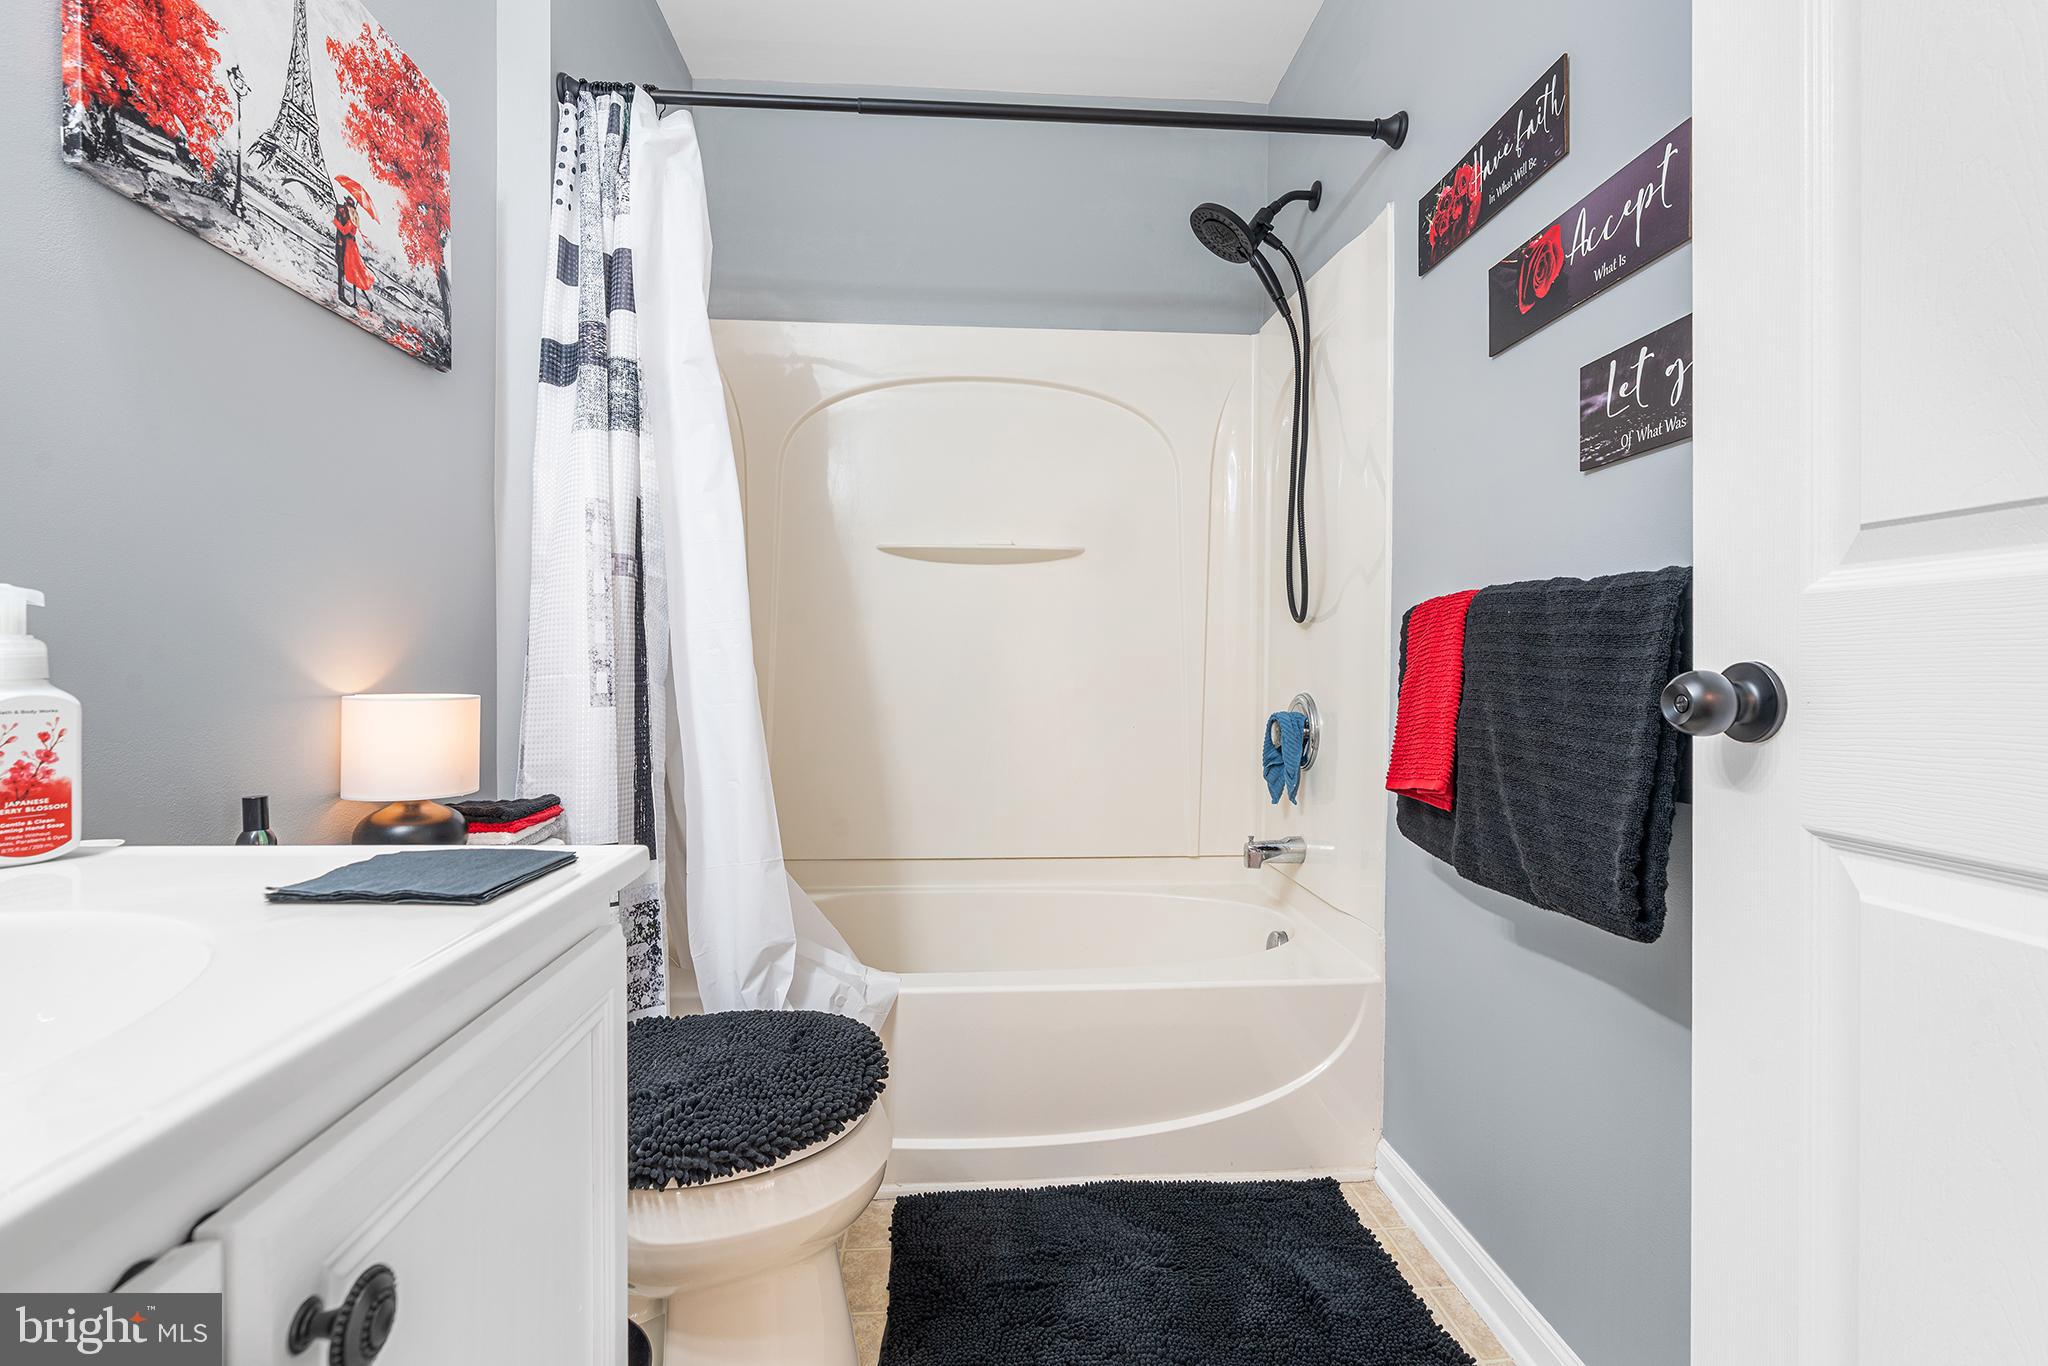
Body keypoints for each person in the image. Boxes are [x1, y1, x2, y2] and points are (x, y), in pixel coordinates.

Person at [332, 198, 375, 315]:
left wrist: (336, 222)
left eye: (346, 205)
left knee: (354, 273)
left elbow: (344, 231)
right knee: (356, 274)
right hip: (352, 247)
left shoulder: (350, 222)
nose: (345, 206)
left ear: (349, 209)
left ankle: (359, 301)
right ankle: (363, 302)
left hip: (349, 250)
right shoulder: (354, 221)